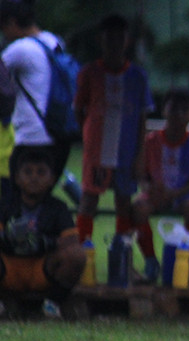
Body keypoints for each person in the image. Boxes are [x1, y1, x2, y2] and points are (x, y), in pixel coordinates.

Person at [73, 14, 154, 252]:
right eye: (110, 38)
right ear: (101, 40)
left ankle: (123, 256)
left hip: (126, 151)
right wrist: (89, 136)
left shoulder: (138, 76)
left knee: (124, 202)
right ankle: (81, 253)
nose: (115, 43)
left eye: (120, 38)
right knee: (88, 200)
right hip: (98, 150)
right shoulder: (90, 73)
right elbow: (79, 110)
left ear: (127, 41)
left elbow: (142, 117)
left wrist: (140, 154)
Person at [131, 88, 189, 283]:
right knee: (138, 208)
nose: (179, 114)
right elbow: (141, 176)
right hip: (156, 193)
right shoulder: (151, 142)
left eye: (185, 110)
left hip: (183, 194)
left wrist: (173, 194)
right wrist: (149, 189)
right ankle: (150, 260)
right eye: (174, 108)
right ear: (164, 111)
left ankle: (187, 256)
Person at [0, 147, 85, 318]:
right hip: (8, 267)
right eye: (28, 172)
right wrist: (11, 239)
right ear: (16, 178)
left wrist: (45, 242)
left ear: (51, 179)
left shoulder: (58, 208)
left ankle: (53, 303)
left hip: (42, 269)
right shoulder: (5, 204)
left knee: (77, 255)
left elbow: (71, 242)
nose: (34, 178)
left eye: (41, 172)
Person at [0, 0, 72, 184]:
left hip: (29, 137)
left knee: (19, 197)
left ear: (12, 23)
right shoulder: (53, 40)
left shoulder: (20, 50)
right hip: (57, 133)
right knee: (41, 198)